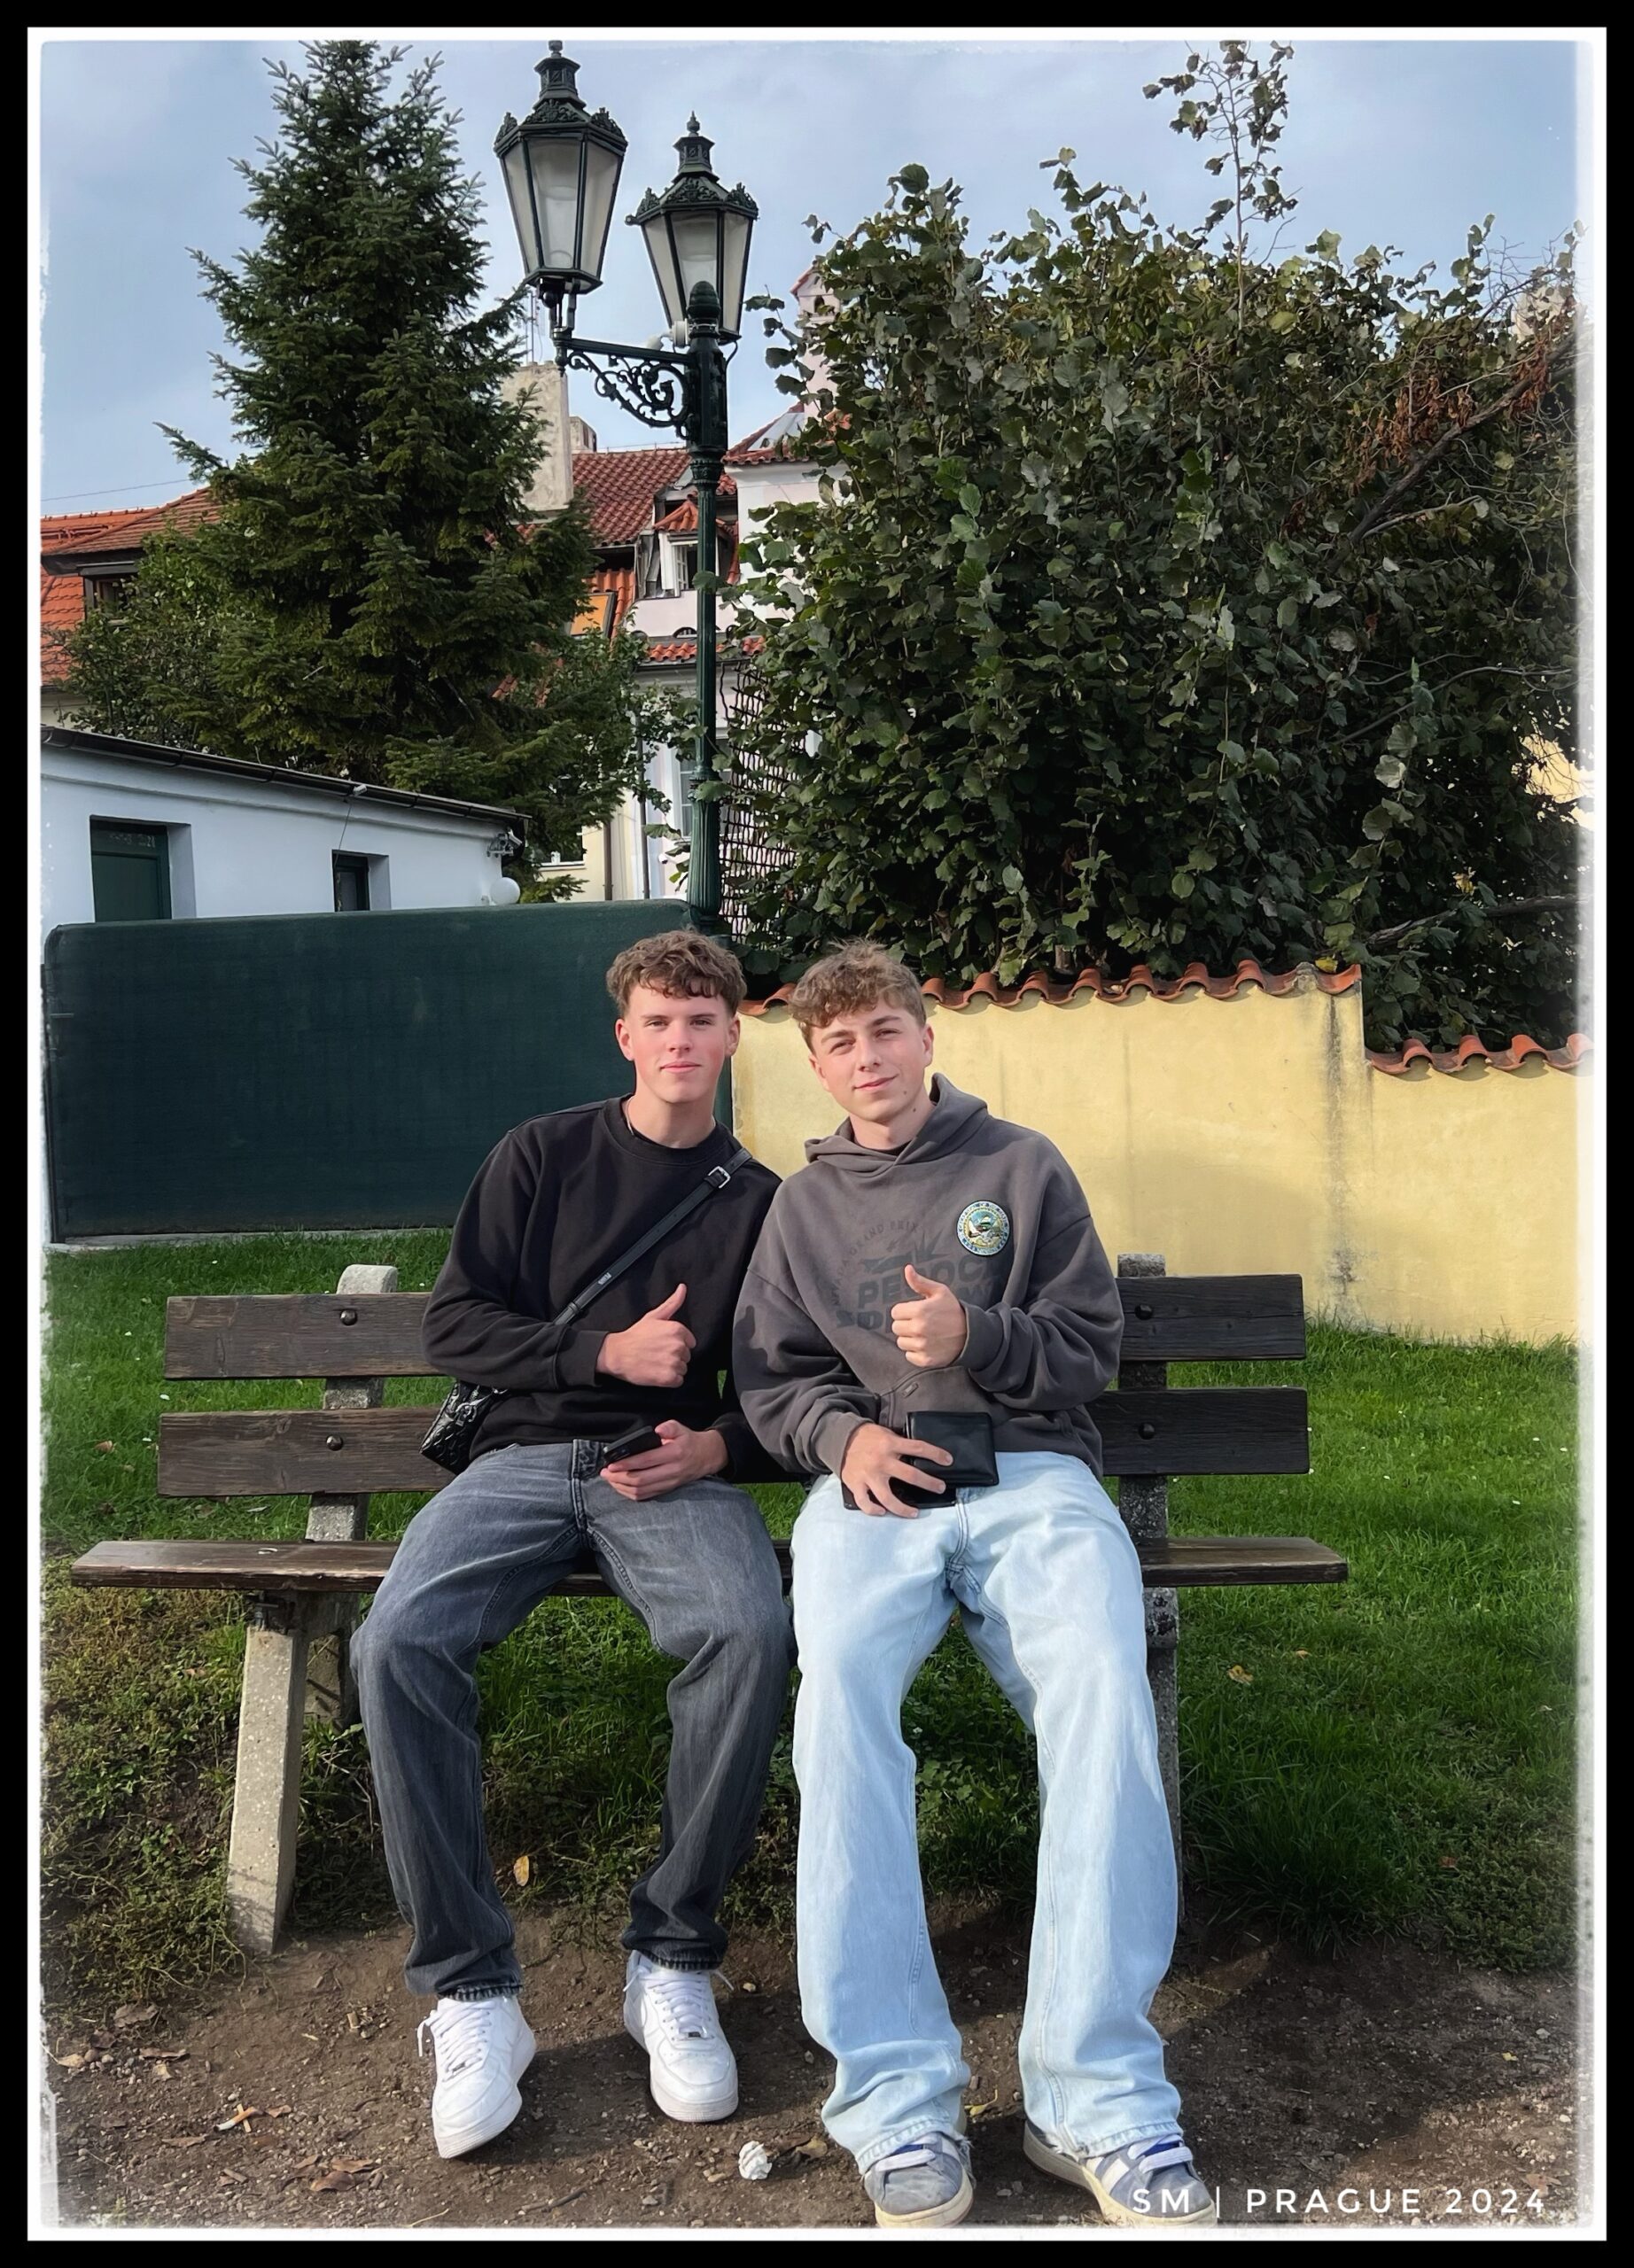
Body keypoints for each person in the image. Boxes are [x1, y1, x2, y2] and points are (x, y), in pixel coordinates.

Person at [732, 942, 1216, 2230]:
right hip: (876, 1488)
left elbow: (1089, 1346)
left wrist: (977, 1336)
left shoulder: (1023, 1167)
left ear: (927, 1035)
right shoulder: (802, 1206)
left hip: (1033, 1477)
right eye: (839, 1044)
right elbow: (773, 1376)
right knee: (835, 1698)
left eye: (885, 1031)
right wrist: (843, 1439)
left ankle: (1095, 2096)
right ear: (817, 1065)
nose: (867, 1060)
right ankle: (895, 2098)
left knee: (1102, 1686)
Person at [354, 929, 792, 2161]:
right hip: (522, 1459)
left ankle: (674, 1958)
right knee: (397, 1643)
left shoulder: (758, 1203)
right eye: (658, 1021)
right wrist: (600, 1353)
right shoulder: (541, 1155)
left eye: (701, 1021)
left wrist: (715, 1447)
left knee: (748, 1632)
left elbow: (782, 1386)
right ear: (624, 1036)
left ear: (733, 1035)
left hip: (665, 1466)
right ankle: (472, 1990)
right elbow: (455, 1325)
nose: (679, 1041)